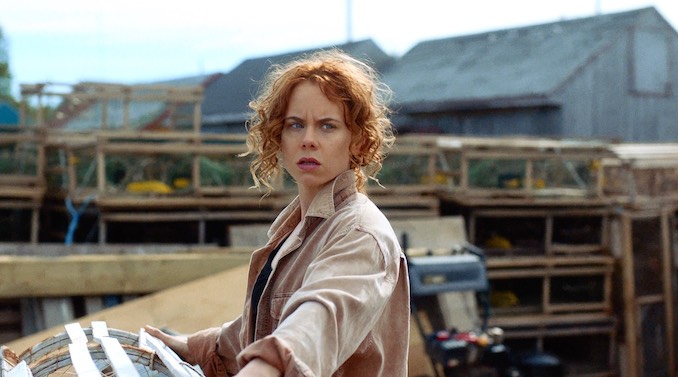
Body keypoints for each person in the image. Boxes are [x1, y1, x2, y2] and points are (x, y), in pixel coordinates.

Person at [145, 49, 410, 377]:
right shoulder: (299, 227)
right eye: (295, 125)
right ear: (278, 136)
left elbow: (314, 323)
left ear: (356, 140)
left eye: (327, 126)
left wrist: (267, 365)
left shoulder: (358, 234)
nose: (308, 140)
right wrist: (197, 346)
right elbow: (268, 322)